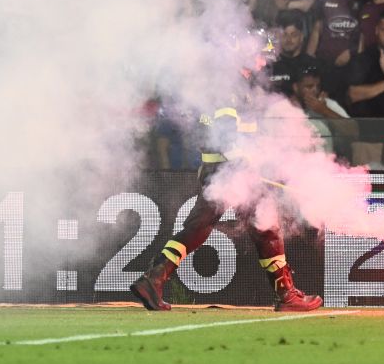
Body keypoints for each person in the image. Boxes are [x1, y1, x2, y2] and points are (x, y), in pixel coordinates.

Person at [129, 99, 323, 314]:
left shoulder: (217, 87)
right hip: (233, 171)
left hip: (221, 169)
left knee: (199, 228)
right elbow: (225, 128)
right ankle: (286, 294)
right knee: (265, 226)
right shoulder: (230, 89)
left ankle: (154, 278)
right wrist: (240, 162)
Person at [307, 0, 361, 100]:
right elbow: (317, 28)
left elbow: (367, 33)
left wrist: (352, 52)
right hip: (325, 63)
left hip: (351, 65)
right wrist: (308, 59)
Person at [267, 12, 320, 96]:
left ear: (301, 37)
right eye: (284, 35)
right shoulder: (269, 66)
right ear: (277, 36)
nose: (289, 40)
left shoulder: (312, 65)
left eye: (294, 35)